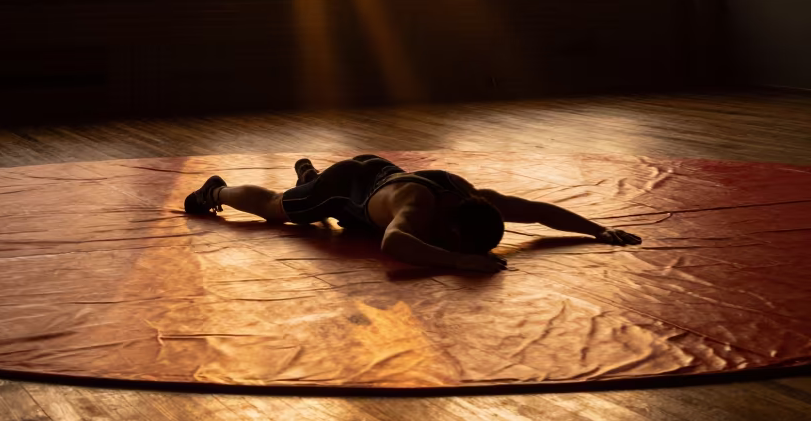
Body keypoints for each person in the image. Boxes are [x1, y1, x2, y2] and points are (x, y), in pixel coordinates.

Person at [183, 153, 641, 272]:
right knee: (277, 211)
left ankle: (308, 177)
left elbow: (537, 213)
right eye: (453, 241)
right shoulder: (417, 207)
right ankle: (216, 191)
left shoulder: (473, 195)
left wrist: (599, 229)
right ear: (452, 225)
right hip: (349, 188)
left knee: (313, 200)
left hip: (378, 174)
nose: (447, 245)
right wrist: (461, 261)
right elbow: (393, 242)